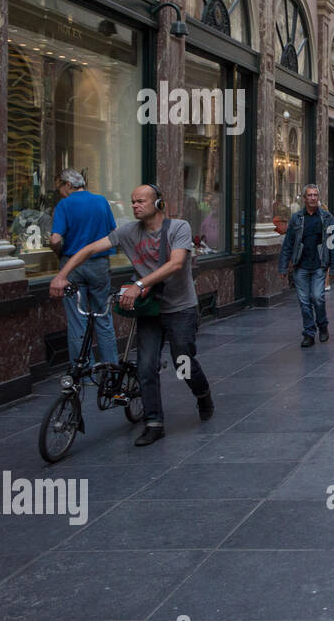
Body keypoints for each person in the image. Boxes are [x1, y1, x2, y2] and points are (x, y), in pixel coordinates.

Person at [49, 183, 213, 447]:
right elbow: (89, 250)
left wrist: (139, 284)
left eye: (141, 201)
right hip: (150, 310)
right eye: (133, 201)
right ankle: (153, 423)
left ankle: (202, 393)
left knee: (182, 362)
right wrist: (61, 275)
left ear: (158, 203)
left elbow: (177, 263)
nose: (135, 206)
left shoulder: (178, 228)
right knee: (146, 366)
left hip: (180, 308)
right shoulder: (128, 232)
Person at [49, 169, 119, 367]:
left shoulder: (64, 204)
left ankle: (83, 371)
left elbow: (55, 239)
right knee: (103, 319)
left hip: (72, 265)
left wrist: (58, 253)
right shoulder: (101, 201)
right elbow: (113, 232)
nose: (60, 193)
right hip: (100, 265)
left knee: (77, 321)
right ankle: (111, 368)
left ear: (68, 185)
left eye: (60, 189)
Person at [278, 184, 334, 347]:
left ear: (318, 198)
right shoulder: (296, 218)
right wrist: (283, 266)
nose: (313, 198)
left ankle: (323, 325)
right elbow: (288, 243)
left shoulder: (328, 217)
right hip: (301, 266)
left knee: (318, 298)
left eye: (315, 195)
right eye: (310, 195)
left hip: (320, 265)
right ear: (304, 198)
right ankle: (309, 333)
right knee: (304, 301)